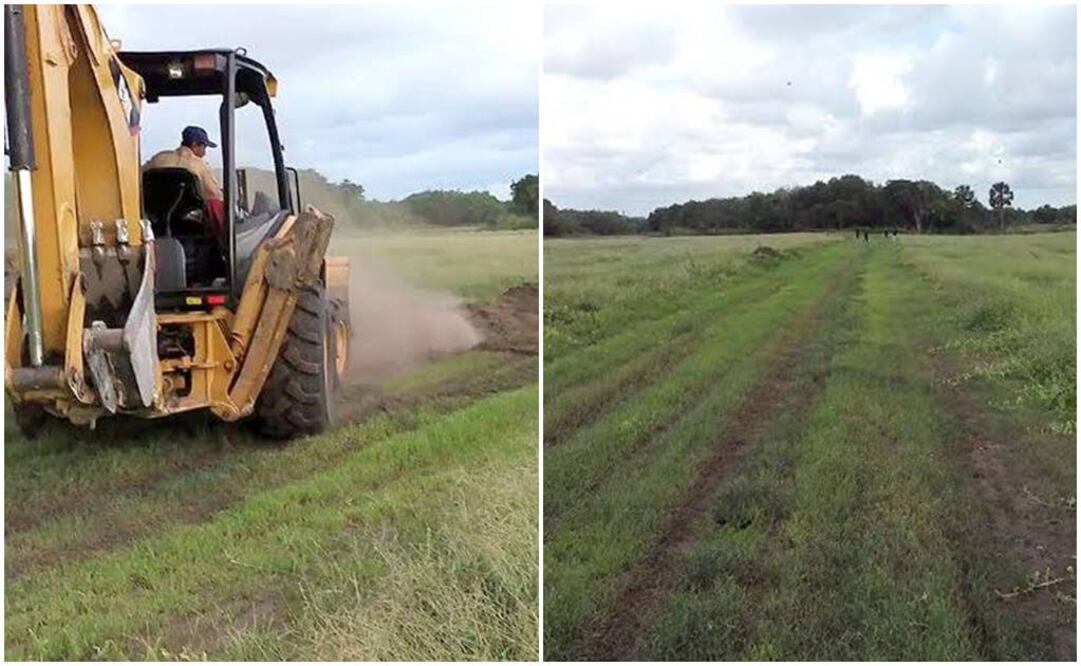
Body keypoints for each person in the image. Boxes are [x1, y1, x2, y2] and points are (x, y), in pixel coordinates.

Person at [144, 126, 225, 239]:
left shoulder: (158, 159)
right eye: (204, 147)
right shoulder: (199, 165)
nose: (205, 152)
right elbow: (215, 195)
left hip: (153, 224)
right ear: (194, 145)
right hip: (186, 221)